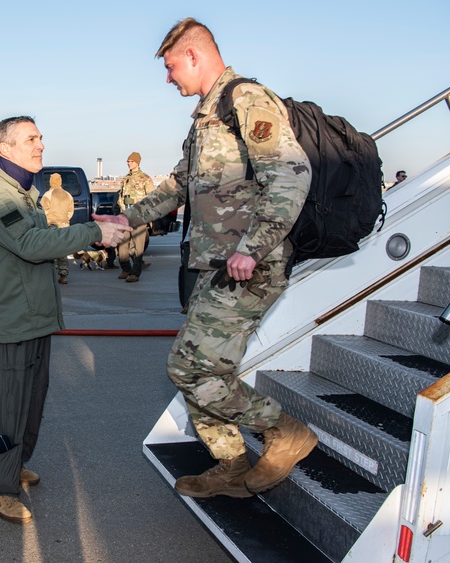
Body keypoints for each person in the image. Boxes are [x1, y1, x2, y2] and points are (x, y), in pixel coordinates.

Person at [96, 18, 316, 499]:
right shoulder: (206, 117)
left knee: (187, 367)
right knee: (203, 369)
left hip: (248, 266)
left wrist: (252, 248)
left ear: (193, 56)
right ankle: (232, 464)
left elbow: (291, 173)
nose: (168, 78)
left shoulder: (246, 100)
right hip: (212, 267)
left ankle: (283, 431)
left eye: (172, 67)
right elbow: (176, 186)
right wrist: (123, 222)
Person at [0, 116, 130, 524]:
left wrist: (95, 226)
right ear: (5, 149)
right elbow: (30, 244)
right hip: (10, 321)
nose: (40, 145)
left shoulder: (22, 193)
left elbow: (45, 238)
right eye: (30, 139)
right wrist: (94, 232)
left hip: (34, 317)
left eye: (40, 138)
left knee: (30, 402)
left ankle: (14, 465)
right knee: (4, 407)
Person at [116, 152, 154, 282]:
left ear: (137, 162)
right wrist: (121, 207)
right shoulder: (126, 179)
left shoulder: (145, 179)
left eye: (131, 161)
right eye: (128, 161)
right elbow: (120, 197)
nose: (129, 163)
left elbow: (151, 200)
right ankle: (125, 268)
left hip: (139, 217)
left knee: (138, 247)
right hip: (125, 216)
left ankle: (135, 273)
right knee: (122, 244)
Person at [40, 172, 74, 284]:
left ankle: (53, 275)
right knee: (63, 251)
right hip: (64, 225)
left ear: (51, 181)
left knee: (52, 250)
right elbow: (70, 211)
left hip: (52, 225)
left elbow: (43, 211)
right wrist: (65, 220)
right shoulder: (68, 195)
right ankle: (63, 275)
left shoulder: (47, 195)